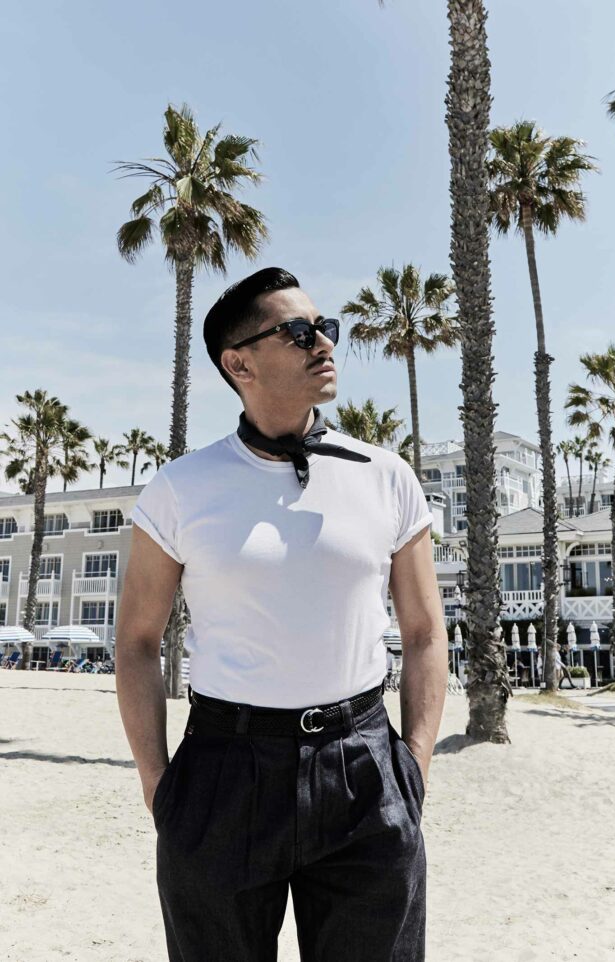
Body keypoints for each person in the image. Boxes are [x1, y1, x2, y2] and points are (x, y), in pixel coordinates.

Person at [115, 267, 447, 962]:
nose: (324, 342)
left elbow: (422, 631)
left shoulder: (385, 476)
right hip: (222, 771)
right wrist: (158, 782)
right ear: (239, 363)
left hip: (363, 765)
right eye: (298, 332)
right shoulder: (181, 487)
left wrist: (411, 765)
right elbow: (138, 642)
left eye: (326, 328)